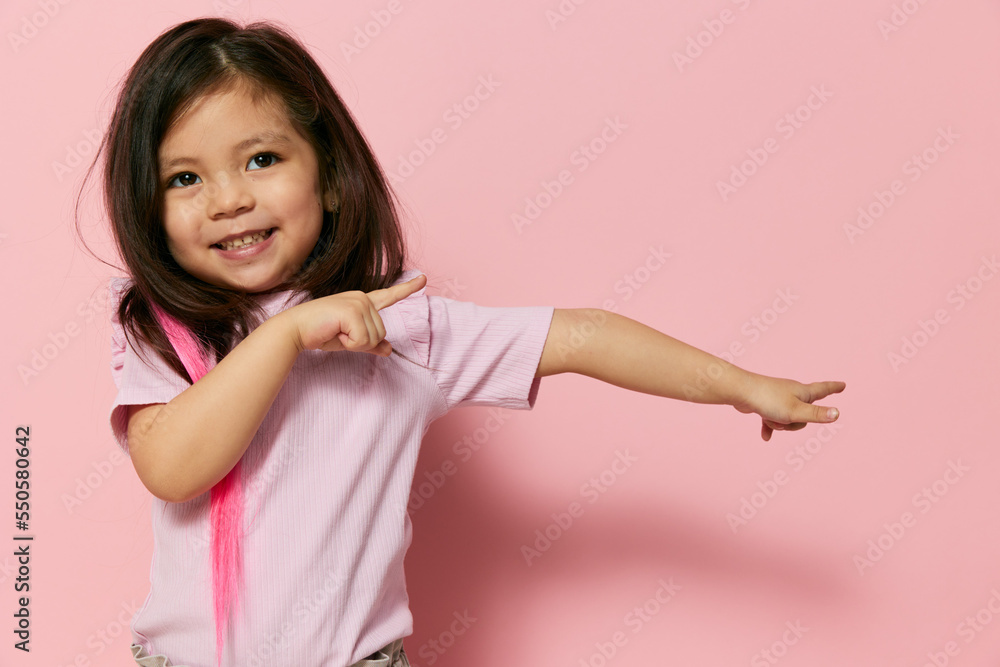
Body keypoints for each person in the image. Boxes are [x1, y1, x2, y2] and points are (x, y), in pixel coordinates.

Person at [86, 17, 845, 667]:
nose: (230, 199)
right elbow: (172, 466)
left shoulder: (404, 329)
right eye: (184, 178)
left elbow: (580, 334)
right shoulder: (165, 330)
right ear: (147, 207)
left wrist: (741, 383)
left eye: (261, 159)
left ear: (328, 174)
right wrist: (285, 334)